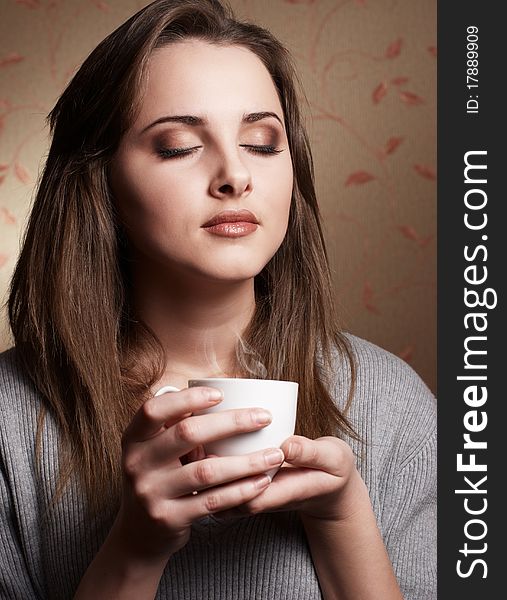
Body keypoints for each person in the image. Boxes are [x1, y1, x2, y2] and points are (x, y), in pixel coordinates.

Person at [0, 0, 436, 598]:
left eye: (261, 142)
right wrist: (135, 547)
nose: (235, 174)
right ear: (99, 181)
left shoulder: (392, 403)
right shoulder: (10, 420)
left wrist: (342, 520)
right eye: (178, 146)